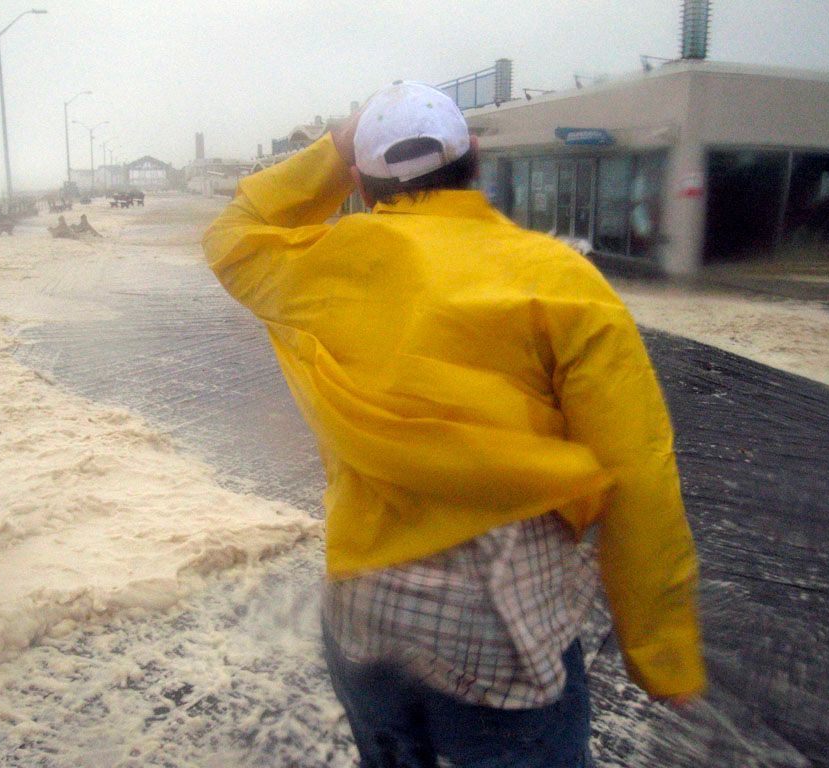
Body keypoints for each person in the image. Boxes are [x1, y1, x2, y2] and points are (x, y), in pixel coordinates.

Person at [202, 81, 705, 767]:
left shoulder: (321, 269)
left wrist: (333, 148)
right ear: (472, 161)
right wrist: (661, 650)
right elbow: (639, 472)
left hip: (365, 616)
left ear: (358, 182)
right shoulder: (559, 279)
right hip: (501, 633)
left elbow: (233, 233)